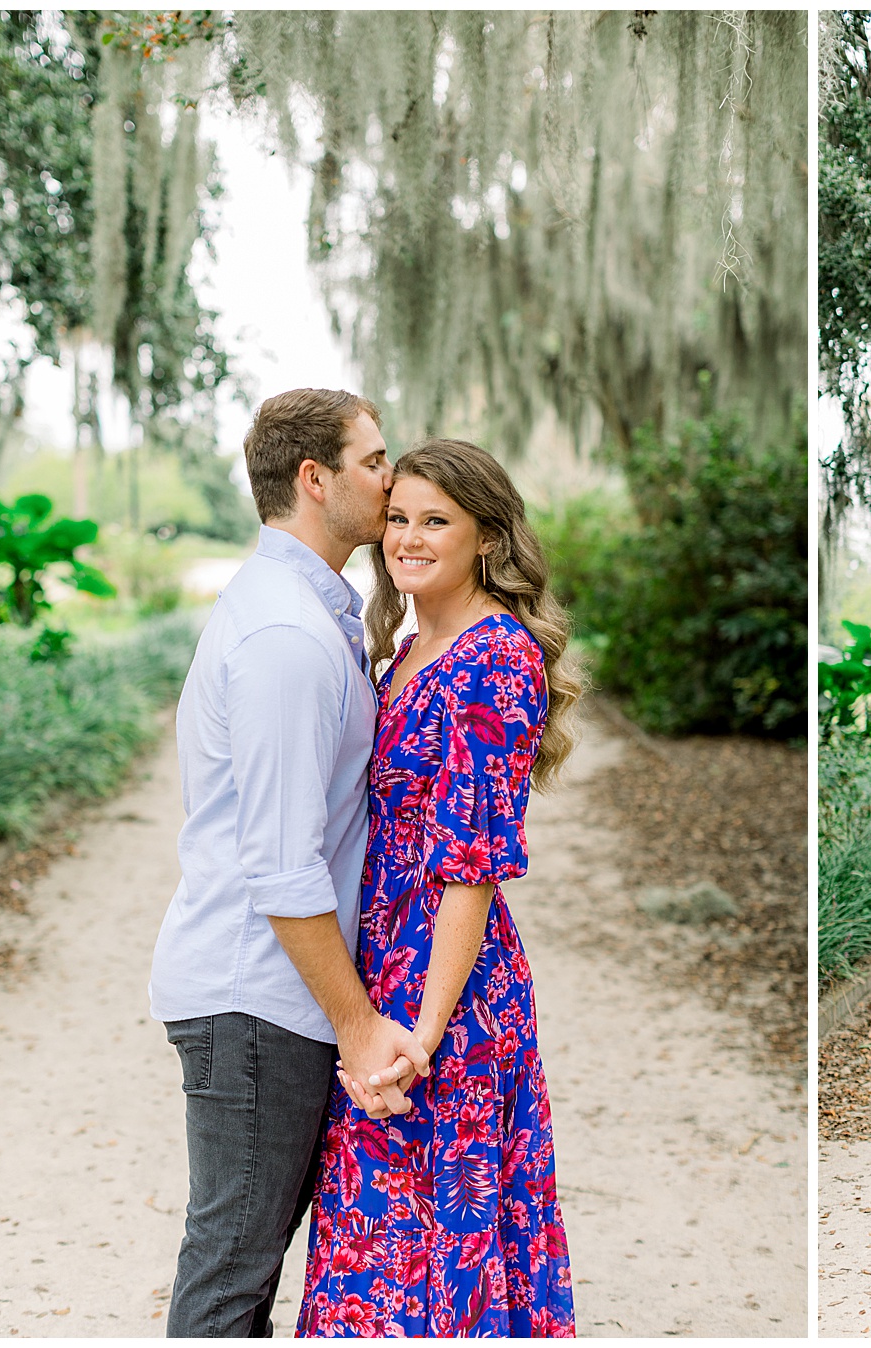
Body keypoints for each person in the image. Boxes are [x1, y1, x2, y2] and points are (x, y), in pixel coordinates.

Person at [150, 388, 432, 1336]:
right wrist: (357, 1027)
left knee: (245, 1269)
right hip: (255, 999)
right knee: (231, 1280)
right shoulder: (284, 637)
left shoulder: (314, 616)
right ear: (314, 480)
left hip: (271, 999)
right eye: (372, 460)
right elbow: (281, 866)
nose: (391, 478)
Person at [295, 438, 582, 1338]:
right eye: (397, 519)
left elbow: (472, 870)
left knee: (433, 1244)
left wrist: (422, 1030)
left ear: (486, 537)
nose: (407, 539)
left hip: (446, 1000)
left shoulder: (495, 657)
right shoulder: (415, 642)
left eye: (436, 521)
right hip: (386, 974)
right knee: (382, 1243)